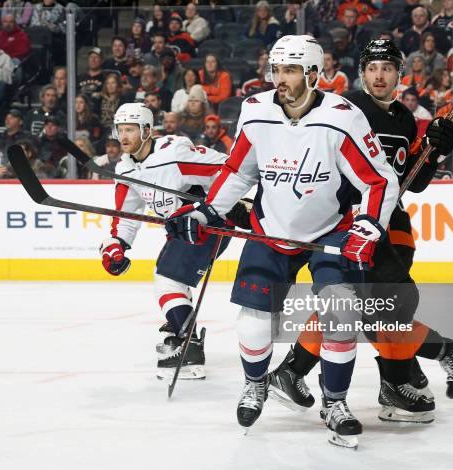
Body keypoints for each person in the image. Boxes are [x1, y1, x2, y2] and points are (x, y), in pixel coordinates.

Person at [165, 35, 399, 446]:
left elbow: (379, 180)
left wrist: (368, 228)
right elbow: (238, 171)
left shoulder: (342, 117)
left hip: (331, 230)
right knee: (253, 323)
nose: (280, 79)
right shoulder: (255, 111)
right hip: (270, 229)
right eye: (276, 70)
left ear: (313, 73)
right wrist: (207, 211)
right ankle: (256, 384)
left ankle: (335, 402)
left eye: (290, 70)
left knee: (340, 315)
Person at [267, 39, 453, 425]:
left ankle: (309, 372)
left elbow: (411, 182)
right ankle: (425, 364)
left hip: (390, 224)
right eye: (372, 68)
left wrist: (434, 148)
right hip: (350, 221)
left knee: (373, 304)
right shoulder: (345, 108)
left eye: (387, 68)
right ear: (362, 73)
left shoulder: (403, 118)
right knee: (364, 304)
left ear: (400, 74)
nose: (380, 75)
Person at [99, 103, 238, 380]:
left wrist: (204, 208)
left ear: (147, 130)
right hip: (180, 230)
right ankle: (180, 334)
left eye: (130, 129)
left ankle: (189, 346)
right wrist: (116, 243)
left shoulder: (172, 154)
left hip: (208, 225)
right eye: (120, 129)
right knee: (172, 280)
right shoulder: (126, 168)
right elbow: (126, 215)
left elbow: (229, 170)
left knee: (167, 280)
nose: (123, 136)